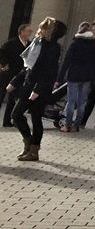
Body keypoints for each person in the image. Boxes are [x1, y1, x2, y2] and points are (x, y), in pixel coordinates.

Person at [7, 17, 67, 161]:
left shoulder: (53, 48)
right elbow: (28, 66)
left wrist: (38, 90)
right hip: (29, 86)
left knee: (36, 118)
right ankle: (28, 142)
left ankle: (33, 150)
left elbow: (49, 72)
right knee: (16, 116)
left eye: (44, 27)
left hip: (39, 89)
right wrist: (15, 81)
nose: (40, 29)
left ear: (51, 31)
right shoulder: (38, 43)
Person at [57, 21, 95, 132]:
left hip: (74, 75)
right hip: (87, 76)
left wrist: (59, 78)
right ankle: (76, 125)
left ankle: (67, 125)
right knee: (82, 103)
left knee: (71, 101)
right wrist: (93, 77)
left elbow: (66, 61)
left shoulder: (75, 43)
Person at [0, 23, 34, 127]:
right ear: (22, 32)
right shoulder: (11, 43)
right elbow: (1, 52)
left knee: (13, 99)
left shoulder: (30, 44)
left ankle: (7, 121)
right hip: (8, 74)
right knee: (1, 96)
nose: (30, 32)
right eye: (28, 31)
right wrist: (4, 64)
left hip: (20, 75)